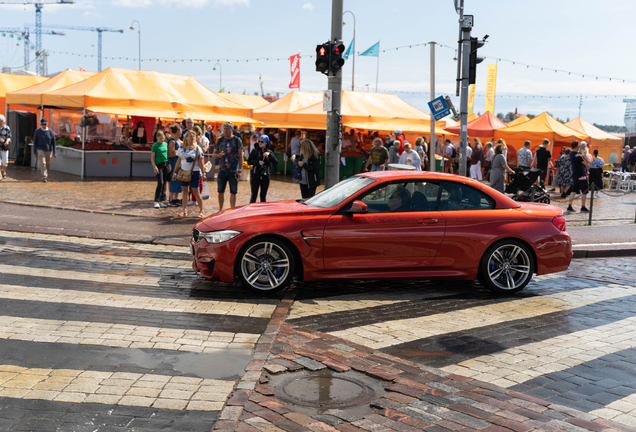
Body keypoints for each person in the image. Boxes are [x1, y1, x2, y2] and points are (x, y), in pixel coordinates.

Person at [173, 130, 205, 218]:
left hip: (195, 172)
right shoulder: (181, 148)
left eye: (193, 136)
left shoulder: (197, 148)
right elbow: (178, 161)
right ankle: (184, 210)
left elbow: (200, 162)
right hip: (183, 171)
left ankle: (201, 210)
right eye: (190, 136)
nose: (192, 137)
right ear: (186, 137)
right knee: (185, 191)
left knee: (196, 191)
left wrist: (204, 173)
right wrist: (175, 172)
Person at [213, 121, 243, 211]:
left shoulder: (237, 140)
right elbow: (214, 154)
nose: (225, 131)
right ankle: (220, 209)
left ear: (232, 130)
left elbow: (241, 156)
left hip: (233, 170)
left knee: (233, 192)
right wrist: (219, 155)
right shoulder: (220, 139)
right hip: (222, 169)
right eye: (224, 129)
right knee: (220, 191)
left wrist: (240, 170)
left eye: (227, 129)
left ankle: (232, 210)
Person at [248, 135, 278, 203]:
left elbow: (275, 162)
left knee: (263, 196)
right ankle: (251, 210)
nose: (260, 143)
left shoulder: (269, 151)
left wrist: (270, 155)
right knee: (254, 195)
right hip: (255, 175)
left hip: (265, 175)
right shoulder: (255, 151)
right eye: (259, 142)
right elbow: (249, 161)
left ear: (266, 143)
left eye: (262, 142)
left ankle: (262, 210)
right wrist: (258, 162)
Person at [567, 140, 590, 213]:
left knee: (574, 190)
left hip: (574, 174)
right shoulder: (578, 155)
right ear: (577, 146)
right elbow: (586, 163)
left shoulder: (571, 153)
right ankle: (583, 207)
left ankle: (569, 206)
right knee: (584, 191)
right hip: (581, 174)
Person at [151, 130, 170, 208]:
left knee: (164, 183)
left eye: (163, 138)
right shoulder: (155, 146)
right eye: (160, 138)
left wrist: (168, 165)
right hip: (159, 165)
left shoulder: (165, 144)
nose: (162, 140)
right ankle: (156, 200)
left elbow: (167, 155)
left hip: (165, 164)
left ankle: (161, 200)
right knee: (160, 183)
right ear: (156, 138)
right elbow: (152, 158)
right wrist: (155, 167)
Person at [33, 118, 56, 183]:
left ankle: (45, 174)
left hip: (48, 150)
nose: (44, 125)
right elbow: (35, 142)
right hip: (40, 149)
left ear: (47, 124)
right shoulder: (37, 131)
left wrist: (54, 152)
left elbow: (53, 142)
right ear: (40, 124)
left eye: (45, 124)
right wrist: (35, 151)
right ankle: (44, 177)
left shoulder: (50, 131)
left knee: (48, 164)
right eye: (43, 124)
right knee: (43, 163)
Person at [167, 125, 183, 207]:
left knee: (178, 180)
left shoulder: (180, 141)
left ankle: (176, 198)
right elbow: (170, 154)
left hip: (180, 163)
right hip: (174, 162)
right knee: (174, 179)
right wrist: (177, 153)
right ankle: (171, 199)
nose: (181, 132)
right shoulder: (173, 142)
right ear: (177, 131)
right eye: (180, 130)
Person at [0, 114, 11, 180]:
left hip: (4, 146)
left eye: (1, 121)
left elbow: (9, 136)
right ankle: (0, 174)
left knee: (5, 161)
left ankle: (3, 170)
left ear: (3, 121)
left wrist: (7, 141)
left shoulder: (7, 128)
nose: (0, 122)